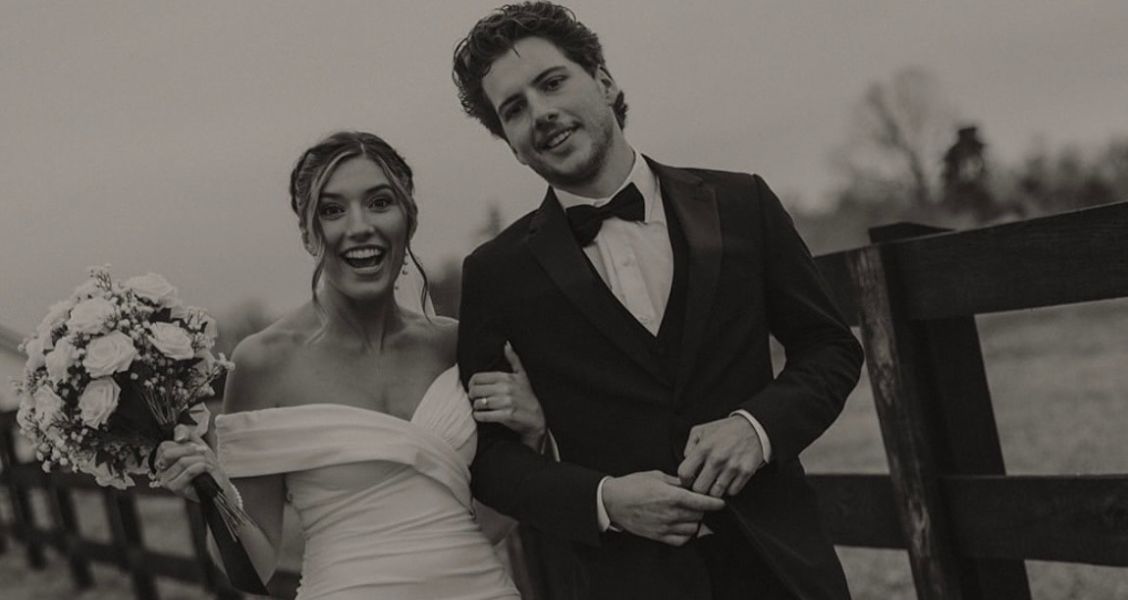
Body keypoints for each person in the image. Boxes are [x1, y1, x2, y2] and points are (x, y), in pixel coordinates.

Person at [452, 3, 864, 599]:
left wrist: (757, 428)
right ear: (511, 144)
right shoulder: (495, 273)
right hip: (623, 580)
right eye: (513, 109)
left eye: (552, 82)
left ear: (604, 80)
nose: (540, 113)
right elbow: (488, 460)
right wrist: (603, 500)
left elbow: (828, 348)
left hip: (783, 568)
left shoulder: (741, 202)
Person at [154, 131, 546, 599]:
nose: (359, 226)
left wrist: (532, 437)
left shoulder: (457, 345)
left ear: (409, 218)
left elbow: (482, 523)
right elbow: (251, 572)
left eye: (380, 202)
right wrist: (210, 493)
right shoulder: (263, 363)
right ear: (307, 233)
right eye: (332, 209)